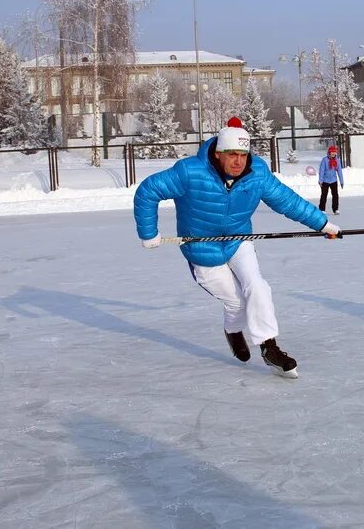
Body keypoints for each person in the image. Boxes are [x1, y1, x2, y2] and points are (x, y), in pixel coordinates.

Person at [133, 117, 341, 378]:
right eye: (232, 154)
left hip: (238, 240)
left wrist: (323, 224)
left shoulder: (257, 174)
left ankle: (269, 347)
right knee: (237, 304)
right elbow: (148, 191)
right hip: (202, 249)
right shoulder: (190, 172)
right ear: (219, 154)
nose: (238, 161)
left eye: (243, 154)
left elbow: (288, 202)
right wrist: (148, 232)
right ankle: (233, 331)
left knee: (257, 286)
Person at [318, 145, 345, 215]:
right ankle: (322, 209)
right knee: (324, 195)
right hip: (325, 181)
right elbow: (321, 171)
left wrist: (341, 181)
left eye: (334, 152)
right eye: (332, 152)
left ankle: (335, 209)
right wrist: (320, 181)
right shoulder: (324, 160)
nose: (333, 153)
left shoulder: (337, 160)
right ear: (329, 152)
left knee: (335, 195)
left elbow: (339, 171)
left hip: (333, 180)